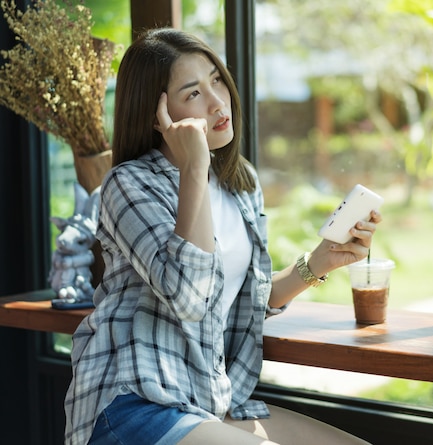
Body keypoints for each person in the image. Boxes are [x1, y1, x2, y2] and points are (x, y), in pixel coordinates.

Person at [64, 27, 382, 445]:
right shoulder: (128, 185)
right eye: (193, 93)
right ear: (157, 115)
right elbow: (191, 297)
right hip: (133, 403)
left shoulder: (241, 182)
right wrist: (193, 167)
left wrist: (321, 261)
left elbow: (243, 299)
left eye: (216, 80)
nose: (217, 102)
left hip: (208, 400)